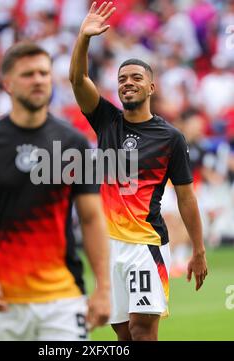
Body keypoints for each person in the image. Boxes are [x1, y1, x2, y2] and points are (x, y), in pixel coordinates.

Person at [69, 1, 208, 341]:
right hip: (108, 246)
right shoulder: (106, 120)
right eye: (122, 79)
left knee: (142, 331)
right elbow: (77, 78)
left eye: (136, 77)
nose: (127, 83)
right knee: (123, 336)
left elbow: (186, 197)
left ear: (151, 88)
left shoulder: (170, 138)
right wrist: (84, 38)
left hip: (145, 245)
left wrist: (198, 250)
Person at [0, 41, 110, 341]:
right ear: (8, 84)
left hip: (64, 301)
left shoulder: (73, 143)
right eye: (28, 74)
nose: (38, 80)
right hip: (2, 302)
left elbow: (91, 218)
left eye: (44, 73)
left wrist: (103, 289)